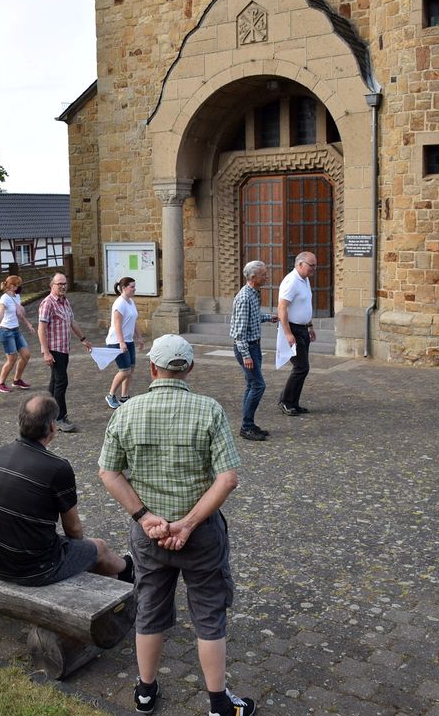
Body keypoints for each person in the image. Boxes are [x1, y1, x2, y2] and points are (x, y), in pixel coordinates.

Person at [98, 334, 255, 716]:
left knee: (149, 607)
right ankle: (219, 703)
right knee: (208, 614)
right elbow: (227, 478)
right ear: (189, 369)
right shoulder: (210, 410)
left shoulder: (127, 411)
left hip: (149, 536)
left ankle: (146, 692)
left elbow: (109, 472)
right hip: (200, 535)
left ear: (152, 368)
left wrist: (145, 516)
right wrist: (186, 524)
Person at [0, 393, 133, 586]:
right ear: (52, 426)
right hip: (34, 568)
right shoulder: (57, 467)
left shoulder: (1, 454)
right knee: (99, 548)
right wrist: (79, 551)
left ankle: (120, 576)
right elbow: (73, 529)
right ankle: (129, 571)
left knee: (97, 564)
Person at [229, 261, 279, 440]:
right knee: (258, 385)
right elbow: (240, 331)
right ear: (253, 278)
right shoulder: (244, 297)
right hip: (247, 347)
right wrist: (246, 355)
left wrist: (269, 318)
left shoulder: (253, 293)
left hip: (254, 345)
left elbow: (253, 317)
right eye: (264, 274)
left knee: (251, 385)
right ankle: (246, 426)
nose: (267, 277)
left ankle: (248, 423)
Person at [37, 273, 92, 432]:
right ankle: (60, 418)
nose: (62, 286)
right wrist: (46, 352)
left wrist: (83, 339)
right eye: (59, 284)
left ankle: (47, 414)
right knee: (61, 382)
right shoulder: (48, 304)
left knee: (55, 382)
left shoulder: (65, 301)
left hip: (64, 349)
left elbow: (72, 321)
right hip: (54, 350)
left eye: (64, 284)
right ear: (51, 285)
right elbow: (41, 330)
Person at [277, 251, 317, 416]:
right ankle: (285, 401)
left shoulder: (304, 279)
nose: (314, 269)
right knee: (301, 367)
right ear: (300, 264)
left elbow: (304, 305)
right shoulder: (291, 281)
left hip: (303, 329)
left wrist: (310, 326)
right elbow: (282, 308)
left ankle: (294, 402)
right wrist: (287, 333)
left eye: (315, 265)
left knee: (302, 368)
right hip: (292, 328)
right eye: (311, 265)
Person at [104, 276, 144, 409]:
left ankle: (124, 397)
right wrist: (121, 342)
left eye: (134, 286)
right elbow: (117, 325)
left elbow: (133, 321)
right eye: (132, 287)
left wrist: (139, 337)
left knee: (130, 370)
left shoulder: (131, 302)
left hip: (128, 340)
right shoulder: (119, 303)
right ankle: (110, 395)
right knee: (125, 370)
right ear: (124, 288)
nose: (134, 289)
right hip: (117, 341)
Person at [0, 275, 36, 393]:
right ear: (12, 286)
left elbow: (19, 315)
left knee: (26, 355)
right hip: (6, 331)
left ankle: (17, 380)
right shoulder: (4, 298)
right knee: (12, 359)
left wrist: (28, 325)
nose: (20, 287)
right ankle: (0, 384)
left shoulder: (17, 297)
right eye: (18, 285)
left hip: (16, 330)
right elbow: (0, 313)